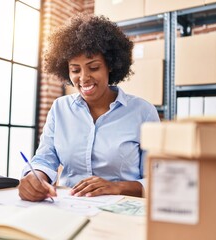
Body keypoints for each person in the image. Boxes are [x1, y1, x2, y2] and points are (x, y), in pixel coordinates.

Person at [18, 13, 160, 202]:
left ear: (110, 65)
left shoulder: (143, 112)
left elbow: (159, 180)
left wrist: (116, 187)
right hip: (69, 207)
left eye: (93, 68)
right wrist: (35, 177)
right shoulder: (60, 108)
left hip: (122, 211)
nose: (83, 78)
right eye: (75, 70)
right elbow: (45, 158)